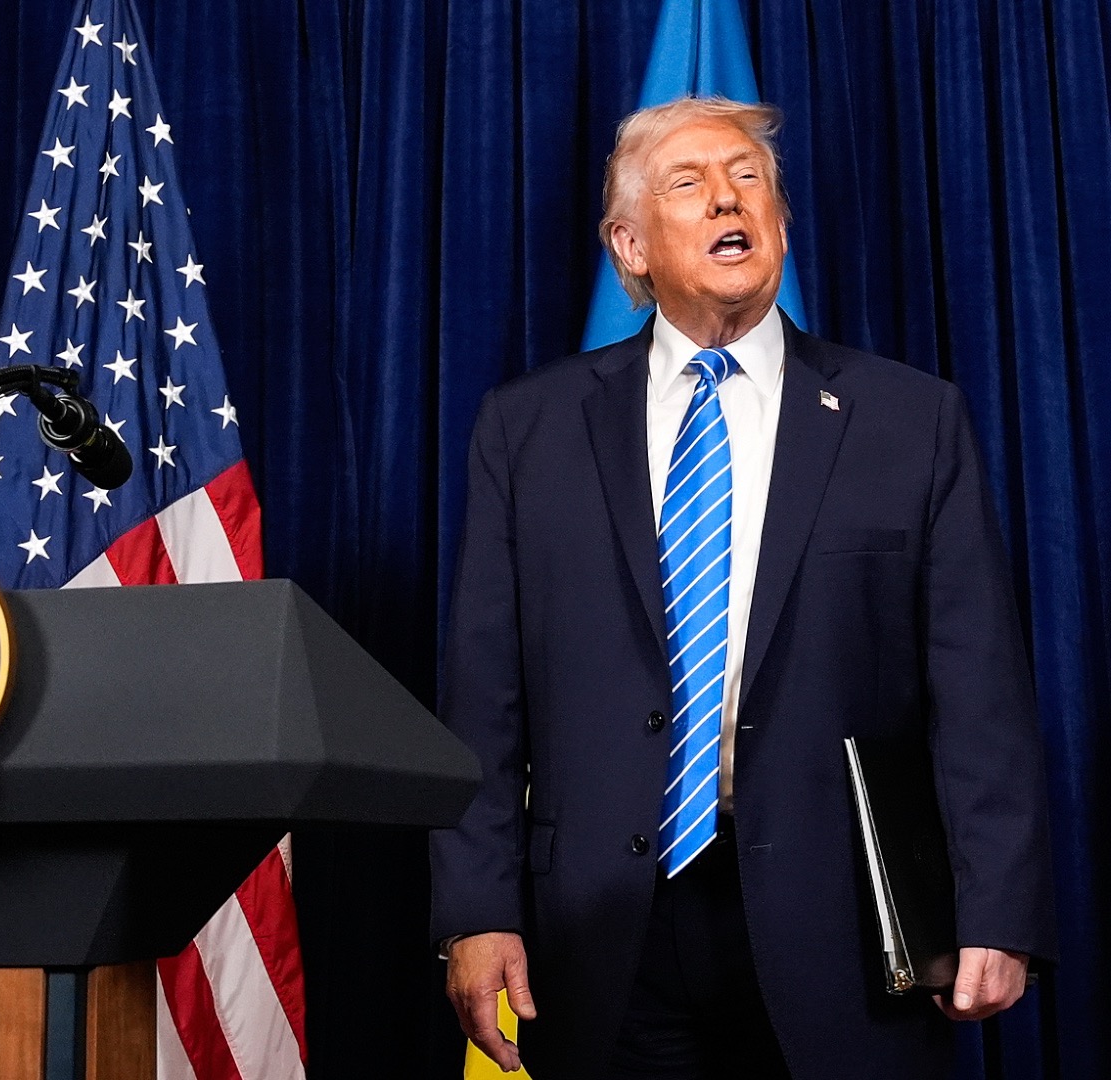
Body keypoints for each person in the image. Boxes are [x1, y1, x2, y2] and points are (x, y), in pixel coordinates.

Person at [430, 97, 1056, 1079]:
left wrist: (999, 908)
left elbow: (980, 691)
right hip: (601, 938)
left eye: (749, 177)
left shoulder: (911, 419)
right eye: (690, 183)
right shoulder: (527, 429)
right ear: (629, 245)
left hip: (847, 935)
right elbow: (482, 699)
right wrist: (474, 910)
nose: (729, 197)